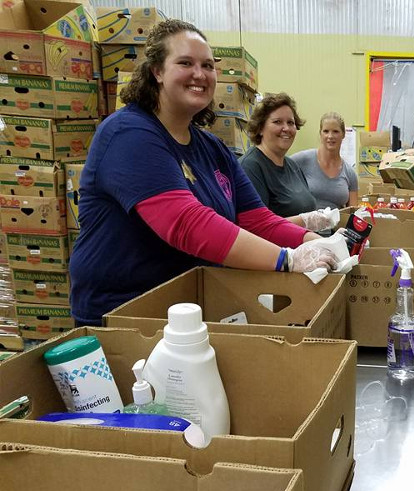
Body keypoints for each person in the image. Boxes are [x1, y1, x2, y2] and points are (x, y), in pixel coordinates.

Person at [69, 19, 336, 326]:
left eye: (208, 65)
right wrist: (286, 259)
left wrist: (316, 243)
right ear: (157, 71)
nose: (200, 74)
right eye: (186, 63)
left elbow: (257, 221)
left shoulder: (212, 148)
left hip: (191, 310)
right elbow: (186, 223)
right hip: (123, 314)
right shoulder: (129, 134)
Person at [239, 94, 339, 232]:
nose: (286, 128)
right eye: (277, 122)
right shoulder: (250, 167)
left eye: (290, 123)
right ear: (260, 128)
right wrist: (305, 221)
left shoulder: (293, 166)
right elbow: (257, 227)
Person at [293, 112, 358, 209]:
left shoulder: (350, 173)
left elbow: (353, 212)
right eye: (326, 131)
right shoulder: (302, 160)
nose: (330, 136)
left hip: (337, 219)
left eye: (335, 131)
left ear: (343, 134)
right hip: (304, 218)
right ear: (320, 133)